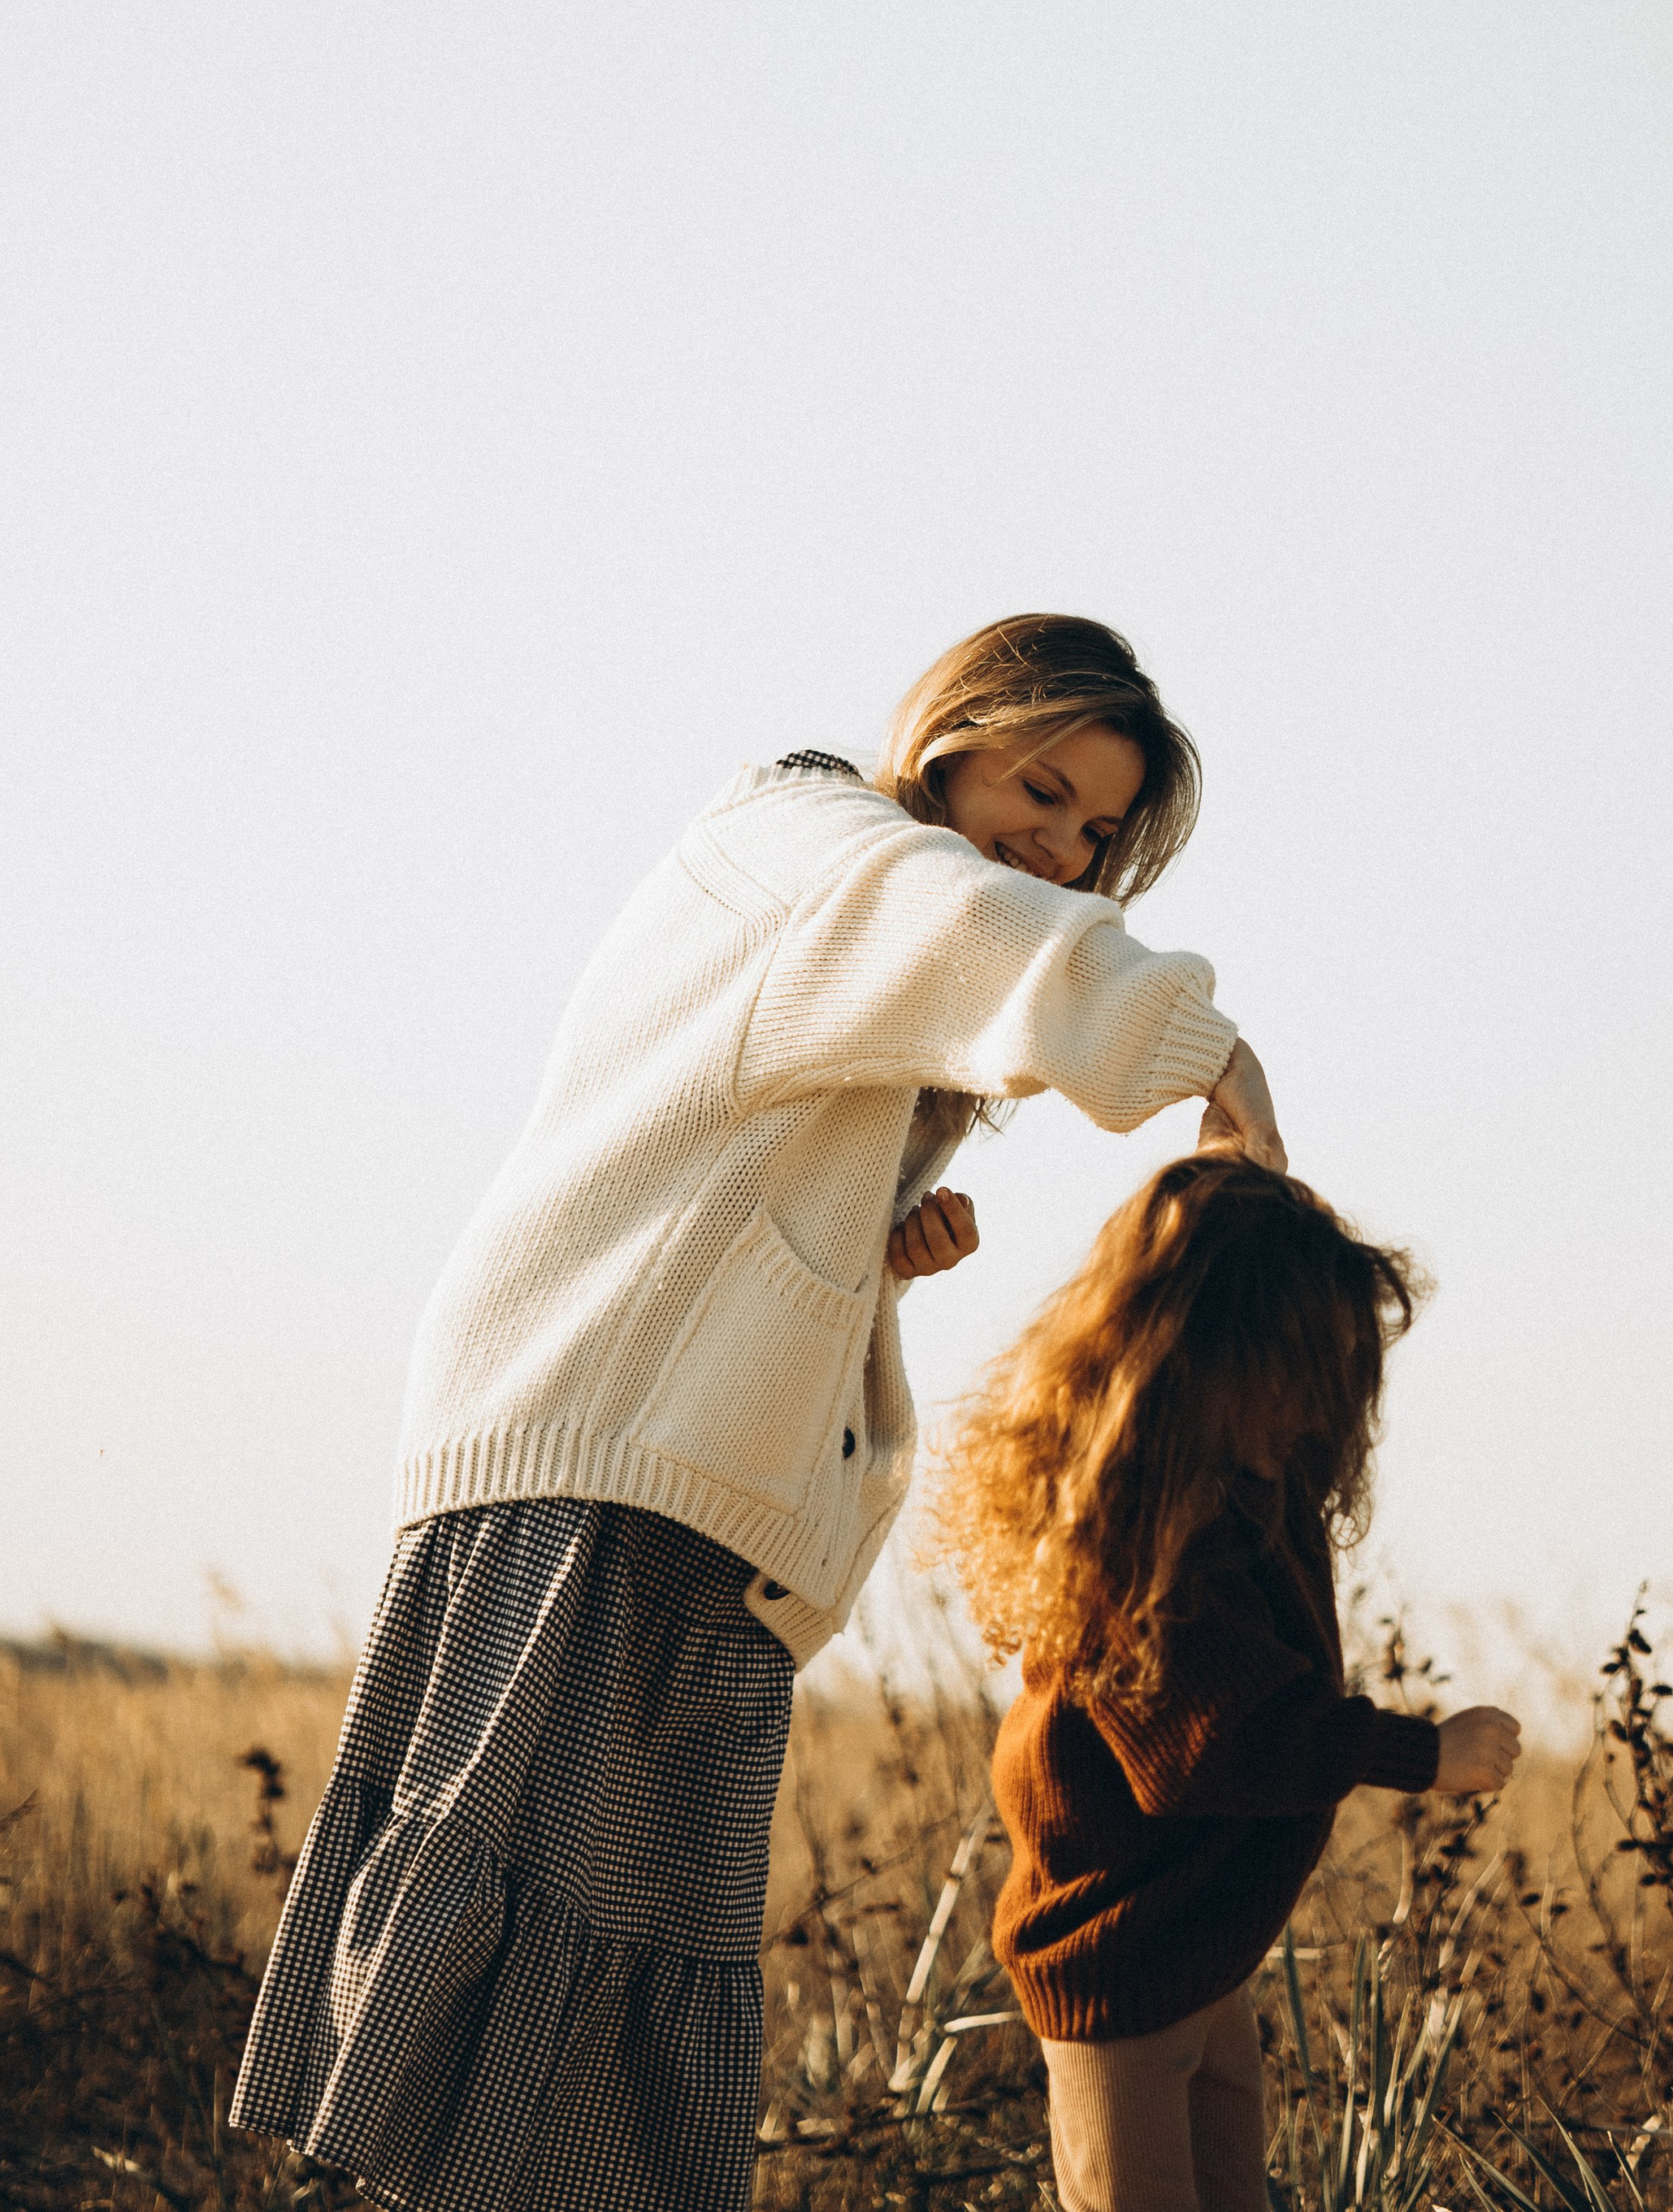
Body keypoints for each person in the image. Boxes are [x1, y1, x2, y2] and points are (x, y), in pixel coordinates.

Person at [230, 614, 1283, 2212]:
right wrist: (1216, 1064)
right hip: (601, 1447)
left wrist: (869, 1260)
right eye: (1043, 789)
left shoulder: (858, 918)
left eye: (1091, 832)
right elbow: (984, 932)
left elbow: (746, 1174)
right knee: (527, 1952)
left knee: (624, 1971)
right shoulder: (813, 842)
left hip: (677, 1470)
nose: (1060, 847)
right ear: (953, 734)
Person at [928, 1152, 1521, 2212]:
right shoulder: (1138, 1546)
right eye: (1289, 1372)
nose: (1308, 1408)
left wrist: (1248, 1152)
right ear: (1195, 1362)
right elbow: (1218, 1742)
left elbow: (1239, 1255)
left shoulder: (1244, 1486)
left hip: (1201, 1961)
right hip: (1114, 1984)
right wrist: (1422, 1755)